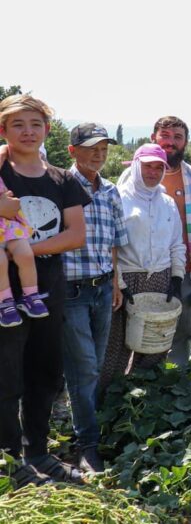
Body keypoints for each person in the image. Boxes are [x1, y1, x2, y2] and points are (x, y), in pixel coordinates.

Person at [0, 94, 89, 488]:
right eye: (18, 124)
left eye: (35, 124)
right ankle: (8, 459)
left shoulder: (62, 180)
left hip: (47, 286)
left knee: (45, 371)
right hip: (4, 289)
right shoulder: (2, 173)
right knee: (6, 374)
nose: (28, 131)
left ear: (47, 131)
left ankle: (38, 451)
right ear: (4, 131)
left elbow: (75, 235)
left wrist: (21, 248)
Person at [118, 116, 191, 366]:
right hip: (134, 268)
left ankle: (172, 374)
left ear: (186, 143)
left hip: (183, 264)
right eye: (165, 136)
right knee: (130, 328)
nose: (171, 143)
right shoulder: (128, 179)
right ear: (154, 139)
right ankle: (128, 379)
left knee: (179, 324)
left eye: (177, 137)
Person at [62, 123, 128, 473]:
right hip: (70, 290)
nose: (99, 154)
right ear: (72, 151)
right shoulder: (59, 186)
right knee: (84, 366)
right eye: (91, 147)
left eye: (104, 148)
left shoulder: (111, 191)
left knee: (92, 365)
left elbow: (113, 242)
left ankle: (74, 420)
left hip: (102, 289)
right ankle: (87, 443)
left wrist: (115, 281)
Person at [102, 145, 186, 383]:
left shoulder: (167, 203)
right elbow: (109, 246)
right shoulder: (118, 198)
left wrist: (177, 277)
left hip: (160, 277)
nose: (153, 172)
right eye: (148, 166)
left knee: (155, 340)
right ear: (136, 167)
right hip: (127, 277)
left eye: (159, 167)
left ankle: (146, 394)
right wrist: (118, 281)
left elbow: (176, 243)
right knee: (117, 342)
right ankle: (109, 397)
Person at [0, 176, 42, 325]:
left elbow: (4, 152)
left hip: (7, 221)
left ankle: (30, 295)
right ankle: (5, 301)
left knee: (25, 254)